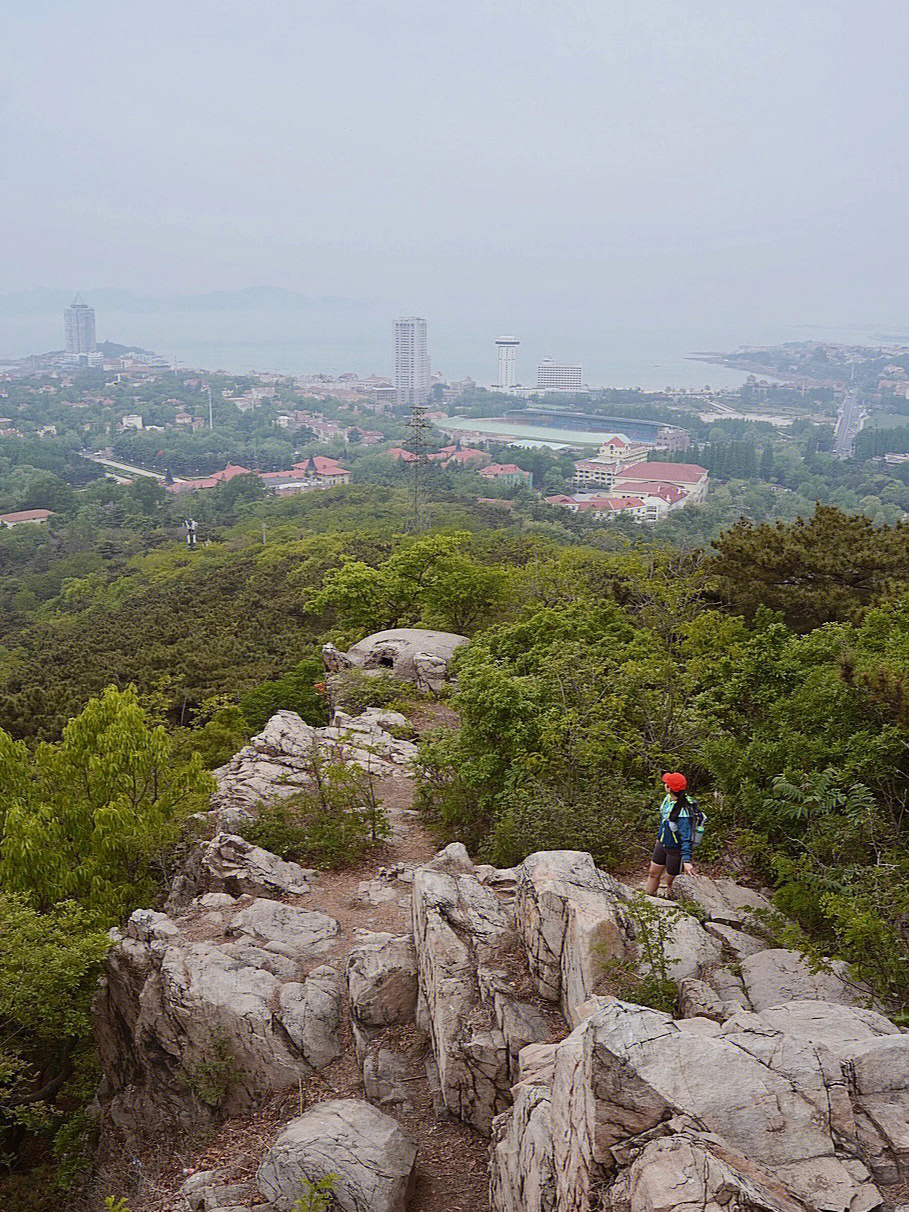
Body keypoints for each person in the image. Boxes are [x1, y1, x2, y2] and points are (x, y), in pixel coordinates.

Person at [645, 772, 696, 896]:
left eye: (666, 783)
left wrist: (686, 860)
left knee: (670, 881)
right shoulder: (668, 799)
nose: (664, 785)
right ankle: (647, 899)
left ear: (669, 788)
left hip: (675, 849)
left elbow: (686, 836)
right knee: (653, 873)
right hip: (662, 843)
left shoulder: (684, 811)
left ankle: (671, 903)